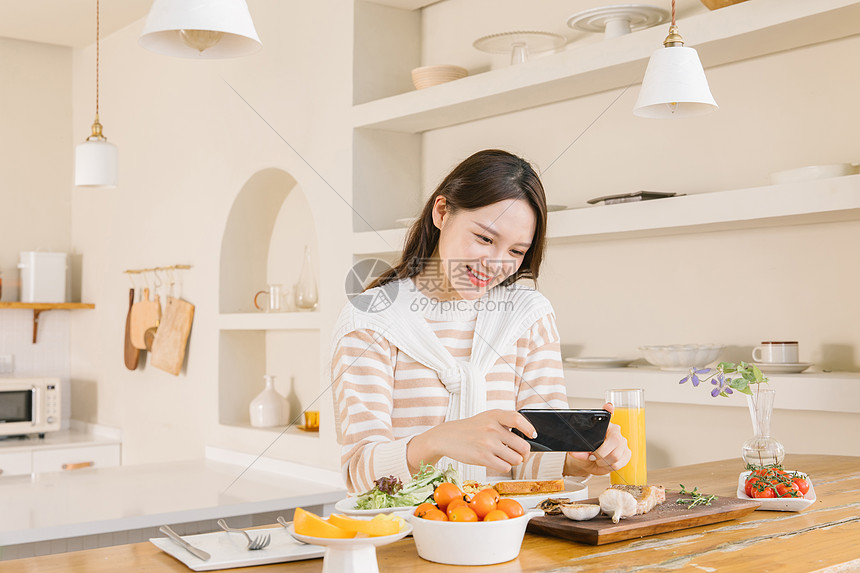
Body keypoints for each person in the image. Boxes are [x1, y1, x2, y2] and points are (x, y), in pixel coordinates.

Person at [331, 149, 631, 494]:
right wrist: (438, 441)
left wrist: (575, 460)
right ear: (442, 212)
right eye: (485, 238)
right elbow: (359, 474)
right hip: (404, 534)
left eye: (516, 252)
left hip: (506, 528)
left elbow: (532, 452)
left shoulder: (528, 317)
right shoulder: (371, 319)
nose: (496, 263)